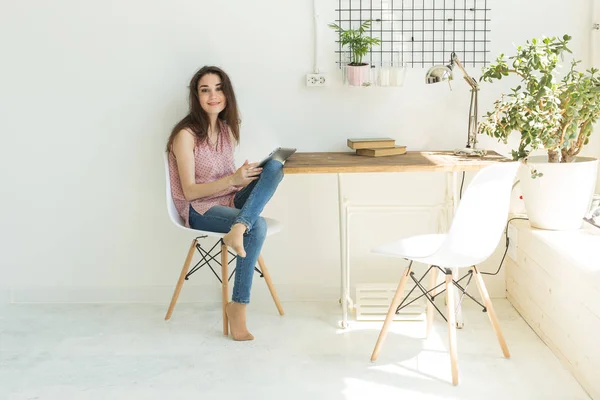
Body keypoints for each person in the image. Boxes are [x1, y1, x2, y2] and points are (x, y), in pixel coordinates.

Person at [166, 66, 284, 341]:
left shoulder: (226, 129)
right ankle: (238, 306)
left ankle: (238, 228)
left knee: (275, 167)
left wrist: (242, 178)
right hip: (199, 209)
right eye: (205, 90)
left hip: (228, 199)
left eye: (218, 88)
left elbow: (228, 181)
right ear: (196, 96)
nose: (213, 95)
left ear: (227, 93)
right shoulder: (185, 135)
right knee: (259, 225)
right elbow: (190, 191)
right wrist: (232, 178)